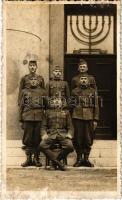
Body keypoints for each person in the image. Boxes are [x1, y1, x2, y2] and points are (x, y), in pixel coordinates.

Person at [19, 76, 47, 167]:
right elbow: (21, 106)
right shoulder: (24, 92)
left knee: (37, 138)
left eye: (35, 80)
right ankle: (28, 159)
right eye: (32, 80)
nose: (34, 81)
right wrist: (20, 120)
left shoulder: (43, 92)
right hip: (27, 117)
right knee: (27, 139)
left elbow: (46, 106)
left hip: (39, 117)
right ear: (29, 81)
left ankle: (36, 159)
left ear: (38, 82)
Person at [40, 97, 74, 171]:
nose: (56, 103)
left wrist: (69, 134)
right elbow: (43, 126)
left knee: (70, 146)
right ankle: (59, 164)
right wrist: (44, 134)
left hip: (63, 134)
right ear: (51, 103)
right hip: (51, 134)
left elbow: (70, 126)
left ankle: (54, 163)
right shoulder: (48, 112)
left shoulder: (66, 112)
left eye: (58, 101)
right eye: (54, 101)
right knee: (42, 145)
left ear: (61, 102)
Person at [71, 76, 99, 167]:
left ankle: (86, 159)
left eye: (85, 79)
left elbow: (96, 106)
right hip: (77, 116)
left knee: (88, 138)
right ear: (79, 80)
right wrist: (71, 118)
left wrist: (95, 119)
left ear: (88, 81)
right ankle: (79, 159)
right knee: (78, 138)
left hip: (89, 116)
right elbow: (71, 105)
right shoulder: (74, 91)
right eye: (82, 79)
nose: (83, 80)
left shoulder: (93, 91)